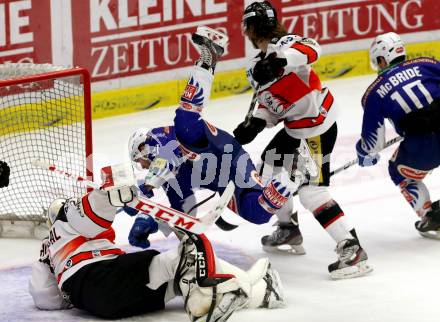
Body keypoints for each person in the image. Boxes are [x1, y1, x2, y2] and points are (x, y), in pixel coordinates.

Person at [28, 164, 285, 322]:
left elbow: (44, 296)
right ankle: (207, 297)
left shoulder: (46, 254)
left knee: (179, 268)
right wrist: (107, 193)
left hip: (99, 302)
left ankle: (259, 290)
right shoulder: (66, 221)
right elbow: (89, 213)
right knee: (190, 250)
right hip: (103, 277)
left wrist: (76, 298)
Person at [233, 1, 372, 279]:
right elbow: (273, 101)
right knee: (269, 169)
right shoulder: (255, 65)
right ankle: (288, 229)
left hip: (316, 127)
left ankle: (351, 247)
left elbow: (312, 50)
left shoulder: (287, 45)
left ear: (248, 28)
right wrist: (258, 122)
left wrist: (280, 60)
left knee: (311, 192)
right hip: (297, 128)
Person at [125, 26, 299, 248]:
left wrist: (144, 191)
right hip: (225, 180)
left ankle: (207, 60)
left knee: (185, 124)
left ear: (142, 147)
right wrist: (153, 223)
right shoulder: (170, 180)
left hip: (223, 154)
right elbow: (185, 212)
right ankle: (291, 176)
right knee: (257, 214)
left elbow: (166, 160)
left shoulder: (157, 139)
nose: (141, 164)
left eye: (138, 158)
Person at [356, 32, 440, 239]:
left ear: (382, 59)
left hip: (423, 146)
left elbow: (373, 145)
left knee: (399, 171)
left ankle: (431, 218)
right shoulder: (428, 63)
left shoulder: (373, 93)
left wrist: (364, 155)